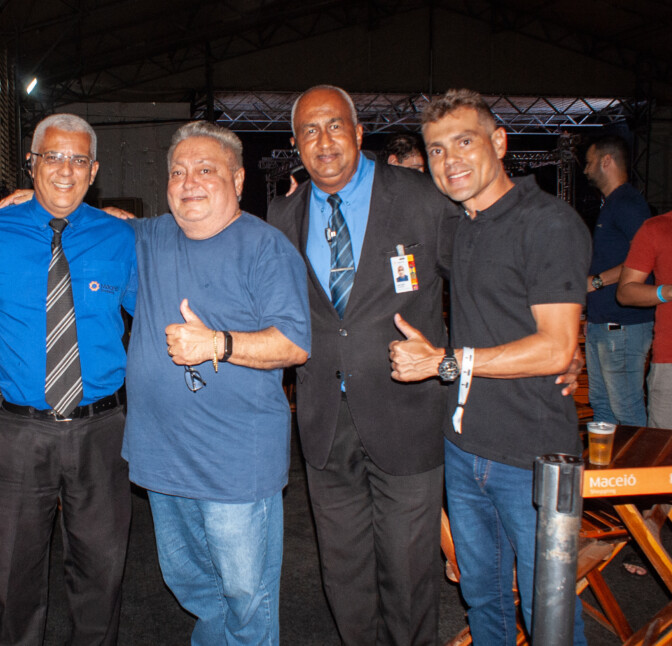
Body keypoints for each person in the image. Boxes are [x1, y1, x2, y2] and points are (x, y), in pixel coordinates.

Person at [389, 88, 590, 645]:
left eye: (464, 142)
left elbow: (555, 349)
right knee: (483, 600)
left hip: (531, 456)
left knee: (551, 615)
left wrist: (444, 363)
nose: (449, 160)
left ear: (499, 142)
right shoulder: (460, 227)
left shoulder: (548, 223)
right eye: (436, 150)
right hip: (464, 448)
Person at [266, 85, 457, 645]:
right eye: (309, 131)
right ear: (295, 143)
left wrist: (486, 356)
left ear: (357, 131)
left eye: (334, 126)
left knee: (409, 575)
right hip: (325, 421)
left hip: (407, 414)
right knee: (344, 573)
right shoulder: (282, 215)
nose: (323, 141)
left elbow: (477, 280)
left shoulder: (422, 197)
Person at [121, 120, 310, 644]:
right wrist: (32, 200)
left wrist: (217, 344)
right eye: (178, 172)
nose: (189, 183)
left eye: (206, 170)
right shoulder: (150, 238)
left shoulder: (265, 248)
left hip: (234, 465)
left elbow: (294, 345)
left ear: (238, 179)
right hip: (163, 457)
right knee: (191, 583)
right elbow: (91, 220)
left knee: (246, 595)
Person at [0, 113, 137, 646]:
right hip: (19, 431)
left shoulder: (120, 238)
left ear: (94, 171)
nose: (65, 170)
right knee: (10, 576)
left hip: (102, 429)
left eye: (78, 159)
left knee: (101, 571)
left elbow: (158, 318)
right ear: (31, 163)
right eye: (53, 157)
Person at [584, 134, 654, 426]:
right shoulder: (613, 204)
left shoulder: (627, 203)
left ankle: (639, 457)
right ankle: (609, 459)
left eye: (589, 162)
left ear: (606, 161)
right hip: (604, 324)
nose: (586, 170)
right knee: (602, 407)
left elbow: (645, 258)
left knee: (625, 409)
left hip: (622, 324)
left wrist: (597, 282)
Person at [618, 213, 672, 428]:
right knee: (664, 447)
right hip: (669, 362)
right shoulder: (657, 228)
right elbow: (625, 292)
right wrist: (668, 292)